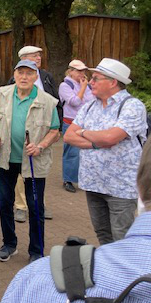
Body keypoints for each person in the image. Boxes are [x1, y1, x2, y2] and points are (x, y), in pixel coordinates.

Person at [0, 140, 151, 303]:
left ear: (138, 186)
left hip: (35, 165)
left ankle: (35, 250)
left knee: (36, 209)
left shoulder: (39, 279)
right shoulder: (40, 277)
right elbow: (70, 135)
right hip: (10, 164)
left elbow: (61, 132)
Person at [64, 58, 147, 245]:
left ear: (113, 82)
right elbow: (69, 136)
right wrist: (97, 142)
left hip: (120, 187)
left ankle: (126, 274)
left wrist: (84, 132)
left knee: (121, 238)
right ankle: (108, 272)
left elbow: (111, 137)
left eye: (95, 78)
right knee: (103, 235)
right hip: (93, 182)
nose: (89, 82)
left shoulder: (132, 106)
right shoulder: (89, 106)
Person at [0, 59, 60, 263]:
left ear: (36, 76)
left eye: (29, 73)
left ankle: (36, 251)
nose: (24, 77)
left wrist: (40, 146)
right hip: (6, 158)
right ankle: (9, 244)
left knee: (35, 206)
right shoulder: (3, 94)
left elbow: (55, 130)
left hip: (33, 161)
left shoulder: (47, 101)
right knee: (4, 203)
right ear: (14, 74)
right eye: (21, 72)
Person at [9, 45, 61, 222]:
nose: (39, 59)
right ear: (23, 59)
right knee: (21, 172)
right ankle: (21, 206)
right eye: (34, 56)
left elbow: (56, 102)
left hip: (44, 132)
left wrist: (57, 128)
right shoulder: (13, 80)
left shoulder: (46, 77)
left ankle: (40, 204)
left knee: (40, 171)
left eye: (39, 56)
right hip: (21, 134)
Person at [58, 60, 94, 193]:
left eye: (83, 71)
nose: (82, 73)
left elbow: (93, 101)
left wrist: (86, 87)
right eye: (79, 71)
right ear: (71, 71)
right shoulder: (65, 85)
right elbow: (74, 102)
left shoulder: (88, 85)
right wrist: (84, 88)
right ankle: (68, 179)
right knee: (72, 152)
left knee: (87, 150)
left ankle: (85, 178)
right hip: (71, 122)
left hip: (87, 122)